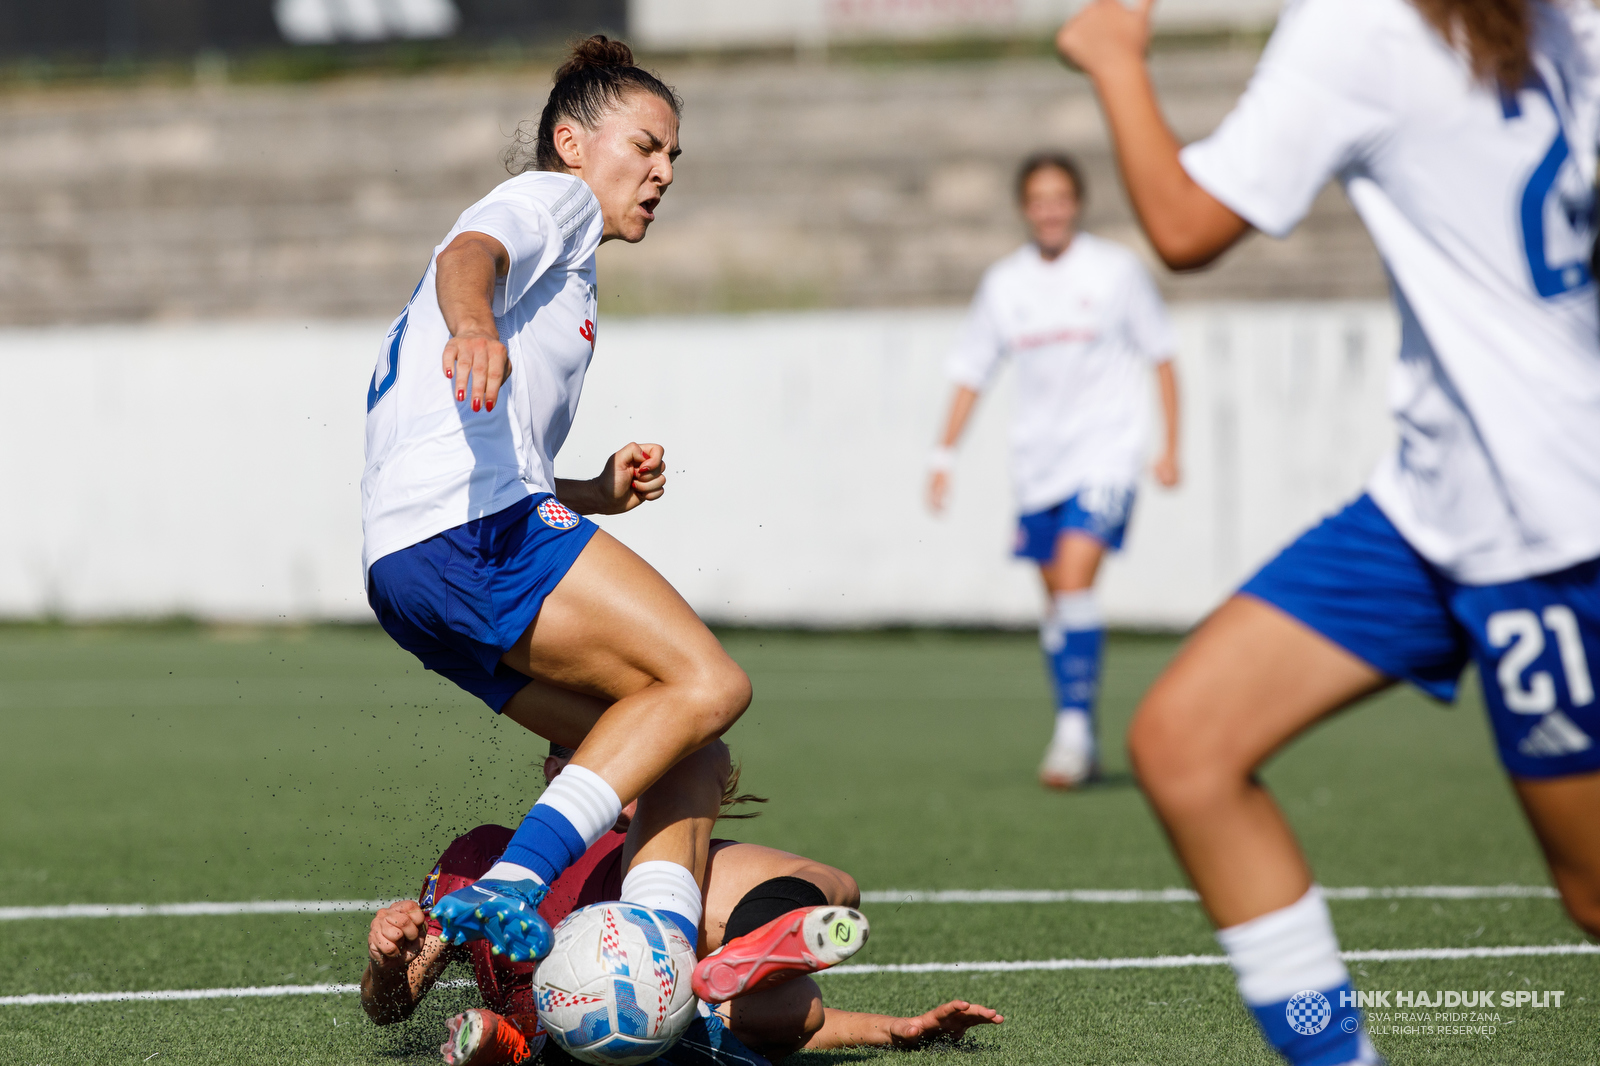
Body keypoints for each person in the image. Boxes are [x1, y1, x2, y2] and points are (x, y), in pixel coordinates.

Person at [1057, 0, 1600, 1063]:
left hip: (1549, 527)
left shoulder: (1362, 25)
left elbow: (1182, 225)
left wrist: (1115, 59)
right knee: (1184, 746)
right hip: (1431, 504)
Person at [360, 35, 752, 968]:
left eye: (673, 157)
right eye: (645, 146)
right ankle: (510, 884)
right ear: (572, 143)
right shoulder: (556, 200)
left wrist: (593, 492)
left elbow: (482, 446)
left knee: (685, 751)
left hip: (412, 565)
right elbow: (470, 254)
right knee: (711, 684)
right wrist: (472, 325)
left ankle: (655, 965)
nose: (662, 171)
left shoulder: (568, 280)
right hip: (471, 539)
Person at [361, 745, 1003, 1065]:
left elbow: (767, 1017)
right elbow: (390, 1007)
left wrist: (892, 1031)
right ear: (560, 774)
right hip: (663, 1044)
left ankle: (754, 938)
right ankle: (522, 1045)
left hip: (666, 1031)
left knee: (791, 991)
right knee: (803, 939)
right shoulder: (481, 855)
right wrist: (389, 958)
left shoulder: (663, 859)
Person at [927, 152, 1180, 789]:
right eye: (1038, 199)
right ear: (1024, 208)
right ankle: (1082, 730)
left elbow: (1163, 355)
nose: (1050, 210)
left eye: (1060, 197)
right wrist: (943, 456)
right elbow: (971, 372)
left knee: (1074, 581)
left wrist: (1170, 445)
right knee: (1056, 606)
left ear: (1077, 203)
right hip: (1037, 466)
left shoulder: (1116, 271)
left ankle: (1071, 733)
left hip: (1106, 457)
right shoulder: (1005, 284)